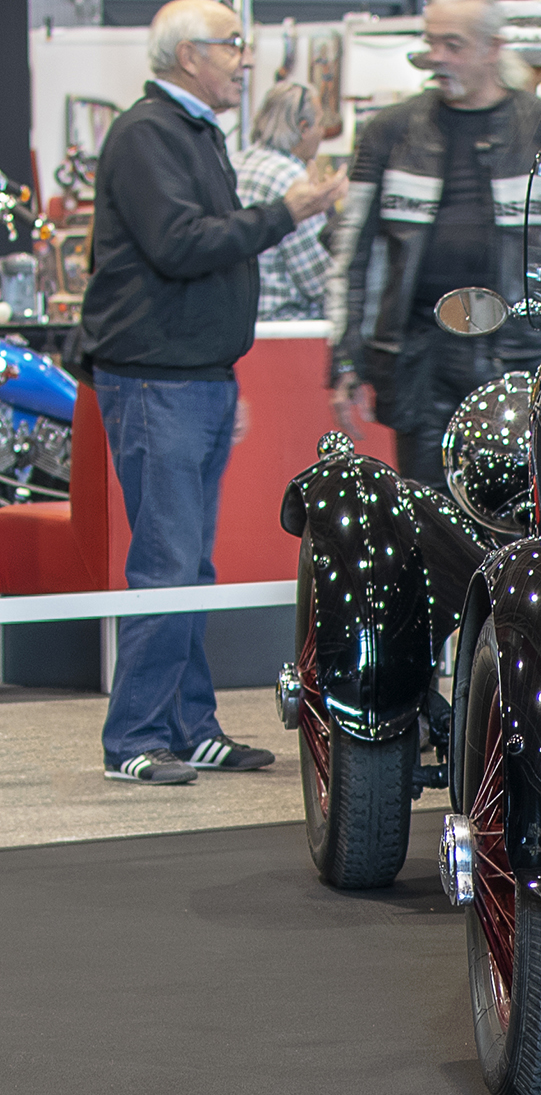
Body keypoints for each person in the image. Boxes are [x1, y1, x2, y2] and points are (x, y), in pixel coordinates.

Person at [78, 0, 346, 785]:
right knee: (167, 563)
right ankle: (133, 737)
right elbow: (180, 243)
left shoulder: (190, 133)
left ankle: (192, 725)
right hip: (158, 378)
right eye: (232, 45)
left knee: (187, 563)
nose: (243, 58)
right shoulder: (147, 134)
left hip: (192, 377)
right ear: (187, 54)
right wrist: (284, 211)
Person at [328, 0, 541, 489]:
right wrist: (346, 357)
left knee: (524, 518)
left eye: (454, 44)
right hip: (420, 363)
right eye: (431, 42)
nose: (438, 57)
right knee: (427, 517)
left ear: (494, 49)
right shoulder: (388, 132)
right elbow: (355, 253)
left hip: (523, 362)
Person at [236, 81, 330, 321]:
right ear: (304, 128)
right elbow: (318, 280)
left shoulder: (234, 163)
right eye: (320, 124)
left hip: (240, 323)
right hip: (285, 329)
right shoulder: (292, 180)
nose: (323, 132)